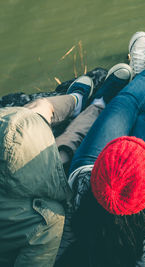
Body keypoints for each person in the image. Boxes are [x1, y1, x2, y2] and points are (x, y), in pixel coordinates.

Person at [57, 31, 145, 267]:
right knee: (140, 117)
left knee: (124, 105)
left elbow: (61, 246)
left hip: (90, 169)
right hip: (98, 174)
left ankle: (144, 72)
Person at [0, 67, 95, 266]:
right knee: (65, 143)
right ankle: (95, 105)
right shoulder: (45, 221)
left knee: (31, 116)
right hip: (28, 169)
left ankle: (76, 100)